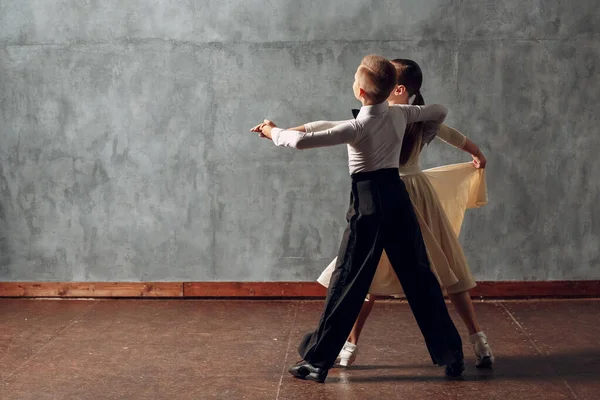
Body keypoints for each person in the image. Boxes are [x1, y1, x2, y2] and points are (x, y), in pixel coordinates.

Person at [251, 55, 464, 383]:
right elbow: (438, 111)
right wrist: (425, 122)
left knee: (347, 279)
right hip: (398, 200)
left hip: (369, 205)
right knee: (421, 279)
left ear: (361, 93)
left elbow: (298, 142)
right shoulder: (401, 114)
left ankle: (316, 362)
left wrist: (271, 129)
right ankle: (453, 355)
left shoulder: (359, 126)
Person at [314, 59, 494, 369]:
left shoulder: (406, 117)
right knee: (392, 271)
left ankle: (476, 338)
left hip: (399, 196)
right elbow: (452, 134)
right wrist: (476, 152)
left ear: (398, 89)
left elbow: (450, 133)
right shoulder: (400, 116)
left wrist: (476, 152)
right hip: (407, 193)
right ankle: (351, 343)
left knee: (391, 269)